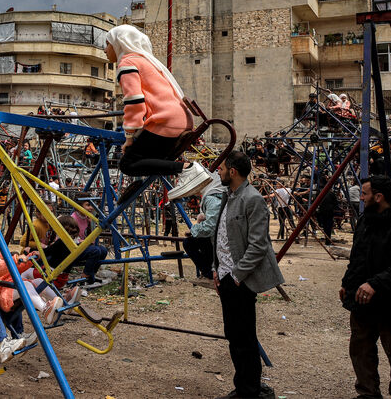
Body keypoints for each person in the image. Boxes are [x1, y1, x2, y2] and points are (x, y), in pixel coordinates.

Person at [104, 25, 211, 203]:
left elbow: (134, 101)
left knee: (127, 164)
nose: (105, 49)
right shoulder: (147, 61)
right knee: (151, 160)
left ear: (118, 44)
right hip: (182, 119)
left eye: (107, 44)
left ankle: (188, 169)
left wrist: (129, 136)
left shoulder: (127, 63)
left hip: (165, 121)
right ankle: (185, 172)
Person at [340, 175, 391, 399]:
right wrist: (347, 283)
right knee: (361, 350)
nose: (362, 198)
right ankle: (367, 394)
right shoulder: (366, 222)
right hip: (361, 302)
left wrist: (375, 284)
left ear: (379, 196)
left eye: (365, 194)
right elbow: (357, 257)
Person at [212, 151, 284, 399]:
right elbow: (221, 237)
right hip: (225, 276)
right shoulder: (228, 197)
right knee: (234, 336)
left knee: (244, 338)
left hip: (239, 280)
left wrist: (236, 275)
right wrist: (216, 268)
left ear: (232, 171)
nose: (218, 172)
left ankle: (249, 391)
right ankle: (242, 387)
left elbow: (258, 245)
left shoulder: (252, 199)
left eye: (221, 168)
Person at [0, 232, 63, 326]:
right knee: (25, 285)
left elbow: (17, 267)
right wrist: (16, 259)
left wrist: (30, 258)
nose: (4, 248)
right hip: (4, 295)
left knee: (39, 281)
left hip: (9, 290)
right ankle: (44, 309)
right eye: (0, 246)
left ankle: (61, 304)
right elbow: (2, 267)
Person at [183, 173, 225, 282]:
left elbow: (211, 226)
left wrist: (194, 230)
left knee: (189, 243)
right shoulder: (214, 194)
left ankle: (209, 273)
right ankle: (209, 271)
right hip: (217, 237)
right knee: (194, 241)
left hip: (219, 238)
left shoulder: (211, 198)